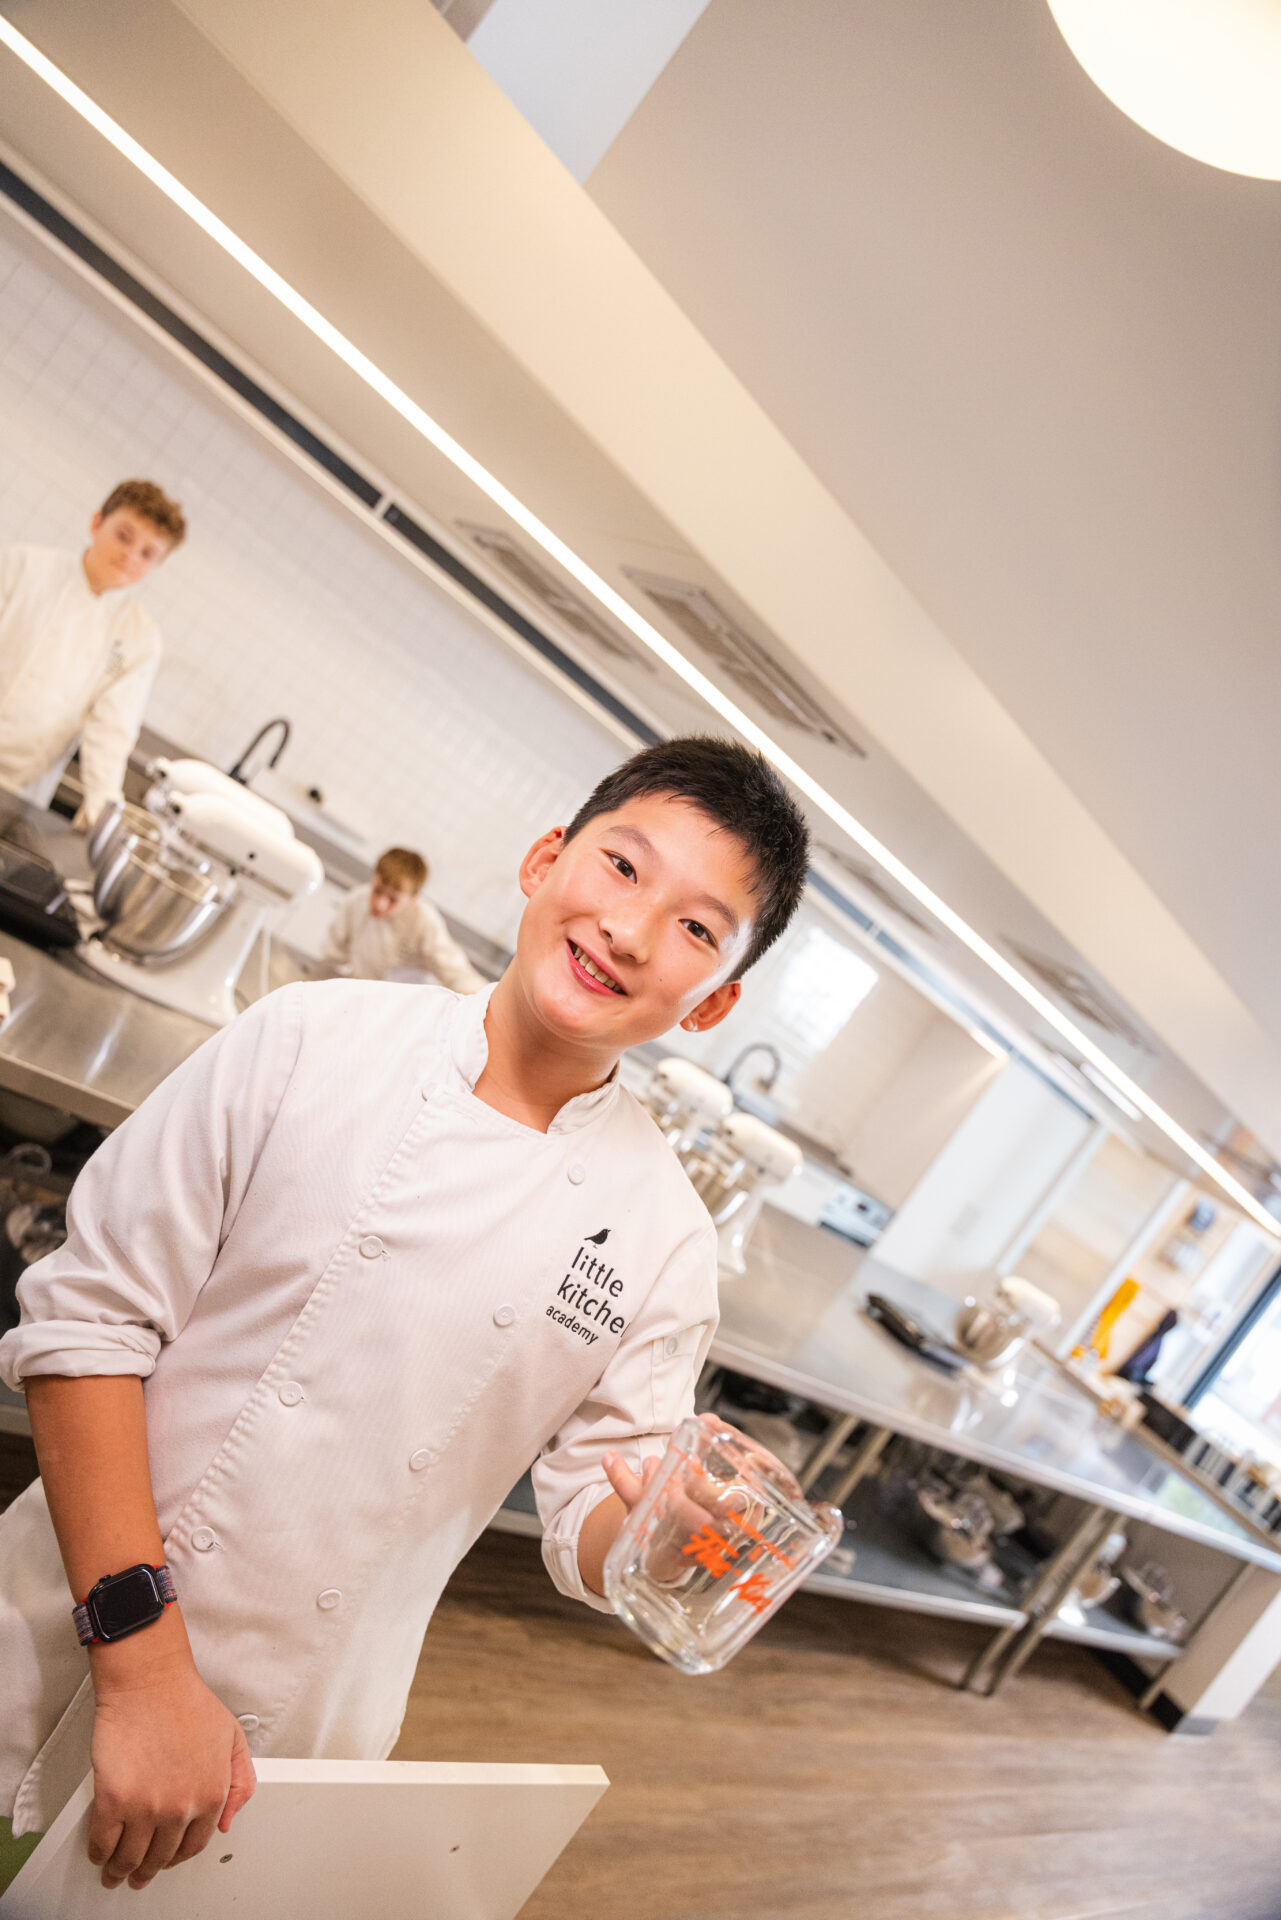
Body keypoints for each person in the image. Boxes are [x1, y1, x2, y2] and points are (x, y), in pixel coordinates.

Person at [0, 735, 809, 1892]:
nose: (630, 933)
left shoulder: (666, 1239)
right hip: (53, 1636)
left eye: (694, 928)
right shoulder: (310, 1040)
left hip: (289, 1738)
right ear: (545, 860)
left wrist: (661, 1532)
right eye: (624, 868)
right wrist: (140, 1666)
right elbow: (86, 1329)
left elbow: (593, 1506)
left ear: (714, 1002)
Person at [0, 480, 186, 830]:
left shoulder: (139, 637)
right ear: (96, 523)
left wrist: (103, 809)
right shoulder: (21, 567)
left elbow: (112, 729)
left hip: (18, 794)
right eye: (124, 536)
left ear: (158, 563)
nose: (130, 556)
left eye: (147, 553)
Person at [324, 845, 485, 992]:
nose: (380, 904)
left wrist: (484, 1001)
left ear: (413, 898)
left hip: (404, 1007)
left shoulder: (424, 921)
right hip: (361, 992)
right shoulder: (357, 900)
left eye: (393, 899)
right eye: (378, 891)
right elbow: (333, 953)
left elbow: (455, 972)